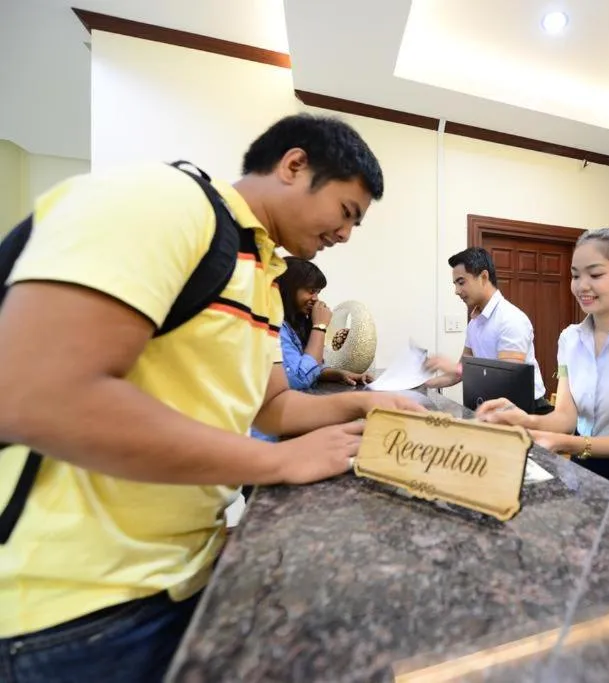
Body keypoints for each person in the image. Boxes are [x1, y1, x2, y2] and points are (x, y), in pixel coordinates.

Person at [0, 113, 423, 682]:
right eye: (346, 213)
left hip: (173, 575)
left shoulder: (262, 277)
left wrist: (364, 404)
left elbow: (271, 406)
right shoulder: (166, 203)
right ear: (294, 165)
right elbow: (37, 393)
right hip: (76, 604)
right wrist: (275, 460)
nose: (345, 235)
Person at [476, 228, 609, 484]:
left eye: (595, 274)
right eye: (575, 275)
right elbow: (565, 419)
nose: (582, 286)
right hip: (578, 471)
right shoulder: (570, 338)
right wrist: (523, 419)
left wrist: (563, 442)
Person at [252, 257, 373, 442]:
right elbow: (298, 378)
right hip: (262, 439)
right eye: (310, 291)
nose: (315, 299)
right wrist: (320, 327)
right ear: (289, 289)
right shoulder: (273, 325)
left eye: (318, 292)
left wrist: (336, 373)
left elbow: (302, 362)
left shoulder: (292, 323)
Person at [424, 247, 551, 414]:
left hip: (525, 411)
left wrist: (455, 369)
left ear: (483, 277)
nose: (456, 291)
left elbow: (507, 381)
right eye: (455, 284)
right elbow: (460, 372)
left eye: (461, 282)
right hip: (493, 409)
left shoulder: (511, 319)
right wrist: (422, 384)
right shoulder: (474, 323)